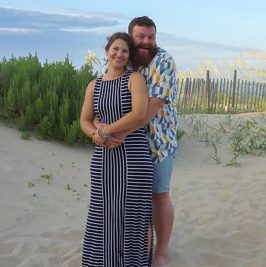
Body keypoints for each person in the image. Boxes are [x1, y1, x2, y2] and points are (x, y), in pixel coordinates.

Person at [98, 16, 178, 267]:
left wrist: (115, 132)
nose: (146, 42)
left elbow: (152, 107)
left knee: (159, 196)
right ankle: (138, 252)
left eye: (151, 37)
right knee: (133, 199)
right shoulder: (124, 60)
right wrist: (101, 126)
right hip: (126, 146)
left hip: (158, 143)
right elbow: (106, 93)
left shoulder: (163, 61)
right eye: (141, 37)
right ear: (131, 37)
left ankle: (161, 252)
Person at [80, 32, 154, 267]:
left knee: (132, 213)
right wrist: (96, 134)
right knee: (102, 211)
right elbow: (84, 119)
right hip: (103, 158)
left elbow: (139, 114)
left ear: (129, 55)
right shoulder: (94, 85)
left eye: (124, 51)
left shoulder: (135, 80)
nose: (119, 54)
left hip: (134, 157)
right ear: (106, 51)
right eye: (115, 49)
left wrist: (106, 130)